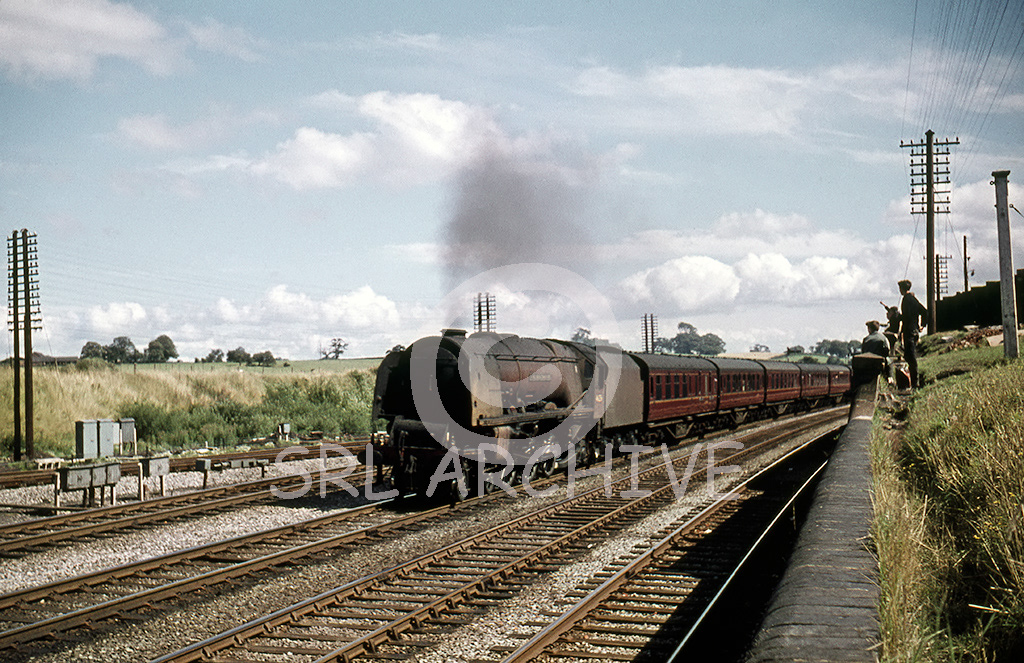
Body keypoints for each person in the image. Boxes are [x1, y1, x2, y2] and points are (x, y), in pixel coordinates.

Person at [897, 279, 928, 388]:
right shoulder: (914, 299)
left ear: (902, 289)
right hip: (914, 330)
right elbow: (924, 311)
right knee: (909, 356)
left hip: (909, 331)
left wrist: (898, 317)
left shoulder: (906, 299)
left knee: (911, 358)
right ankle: (914, 382)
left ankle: (915, 383)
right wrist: (922, 325)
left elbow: (907, 316)